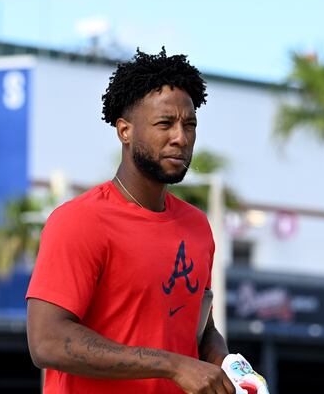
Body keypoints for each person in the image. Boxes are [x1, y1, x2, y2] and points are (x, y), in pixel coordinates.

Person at [26, 48, 242, 393]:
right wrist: (172, 365)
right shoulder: (79, 221)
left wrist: (225, 367)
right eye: (164, 124)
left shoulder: (197, 227)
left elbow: (200, 329)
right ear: (124, 131)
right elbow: (47, 341)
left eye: (189, 125)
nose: (180, 138)